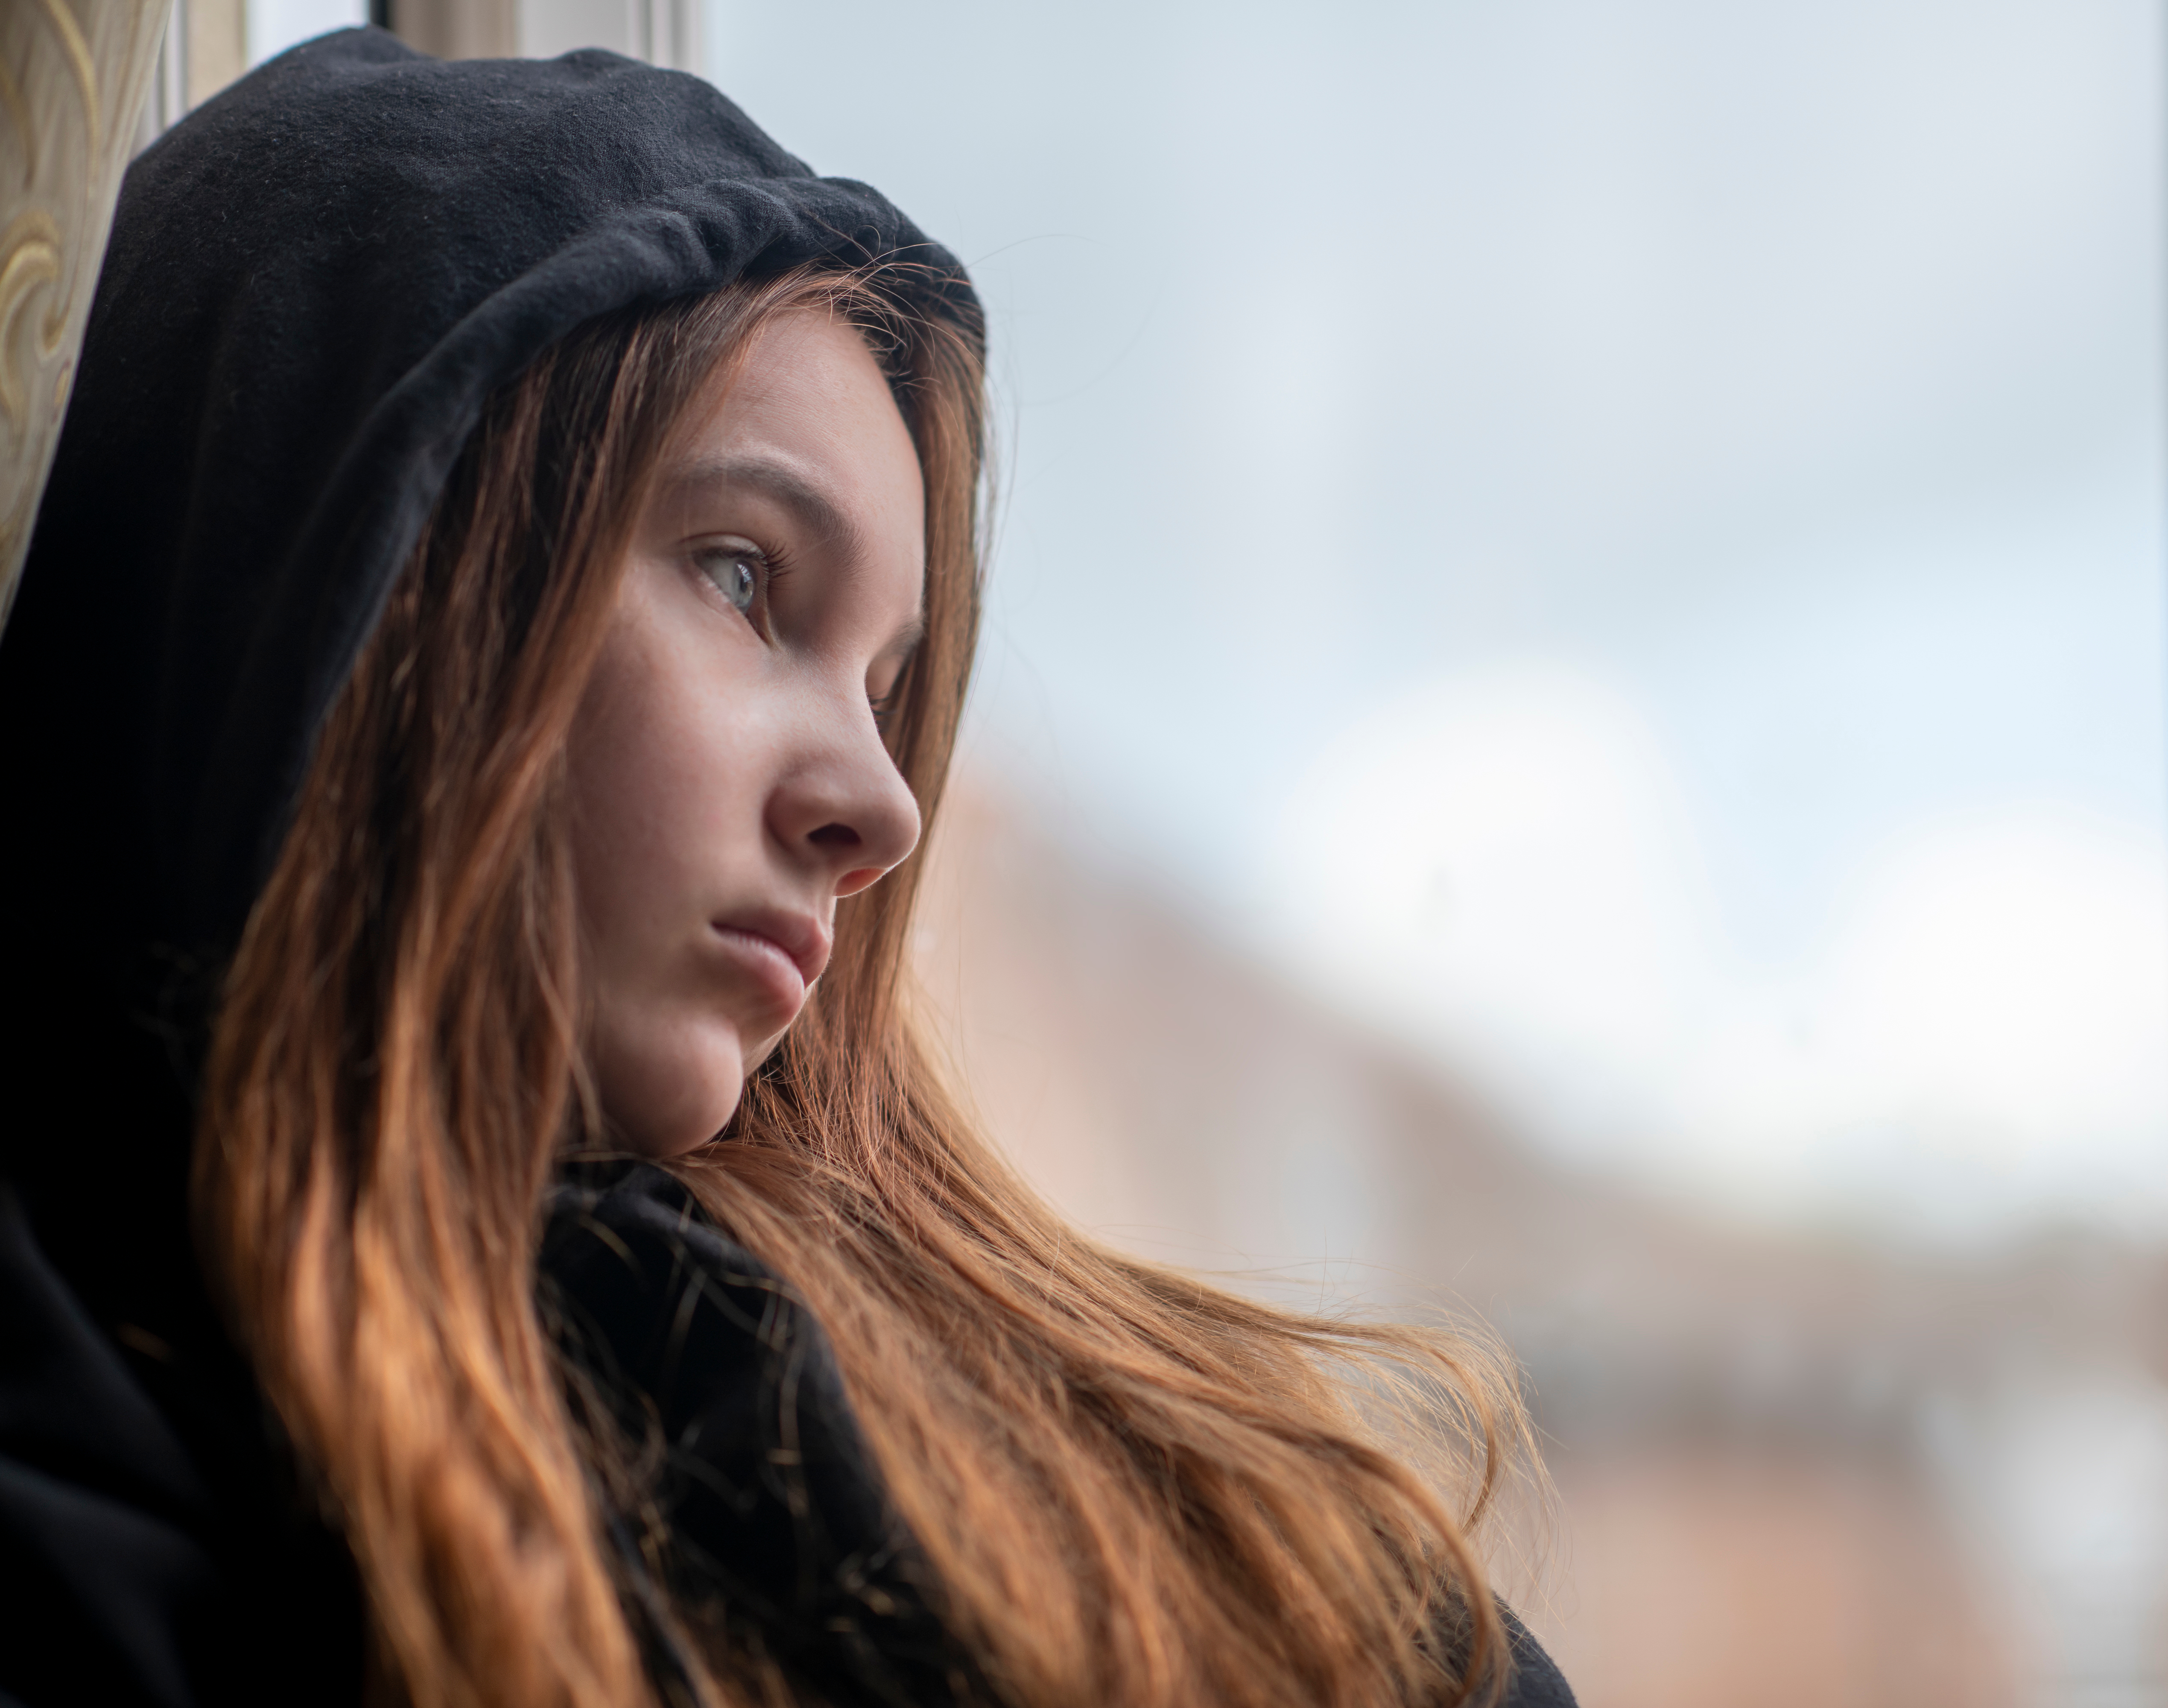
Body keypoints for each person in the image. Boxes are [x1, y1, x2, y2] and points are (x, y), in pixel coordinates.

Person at [0, 29, 1576, 1708]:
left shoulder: (1135, 1464)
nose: (883, 807)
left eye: (889, 688)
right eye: (749, 579)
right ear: (369, 565)